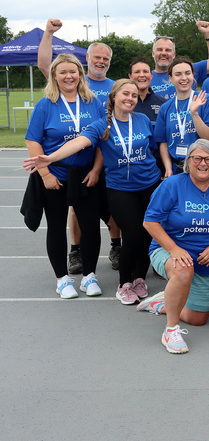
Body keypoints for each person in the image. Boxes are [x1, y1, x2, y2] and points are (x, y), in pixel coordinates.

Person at [24, 79, 163, 304]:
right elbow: (78, 143)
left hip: (149, 184)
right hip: (120, 187)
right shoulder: (102, 126)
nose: (130, 98)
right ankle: (124, 283)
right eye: (125, 94)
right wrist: (50, 158)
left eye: (134, 95)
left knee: (147, 232)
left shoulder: (144, 120)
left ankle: (139, 278)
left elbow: (154, 149)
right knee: (133, 233)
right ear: (113, 98)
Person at [37, 18, 121, 273]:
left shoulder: (112, 86)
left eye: (105, 58)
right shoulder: (67, 78)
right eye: (97, 57)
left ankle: (116, 245)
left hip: (104, 157)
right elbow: (44, 64)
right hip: (69, 165)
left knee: (111, 205)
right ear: (87, 58)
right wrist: (49, 33)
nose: (101, 61)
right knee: (75, 209)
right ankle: (76, 251)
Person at [140, 140, 209, 354]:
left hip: (205, 258)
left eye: (208, 159)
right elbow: (150, 222)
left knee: (198, 318)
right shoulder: (172, 185)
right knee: (183, 269)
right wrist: (174, 249)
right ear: (189, 161)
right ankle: (171, 331)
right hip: (168, 250)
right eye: (197, 158)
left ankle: (163, 303)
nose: (203, 163)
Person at [24, 54, 104, 299]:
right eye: (63, 72)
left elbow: (102, 140)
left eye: (74, 71)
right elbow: (33, 140)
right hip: (55, 175)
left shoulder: (93, 101)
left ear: (81, 74)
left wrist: (96, 170)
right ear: (54, 76)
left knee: (91, 227)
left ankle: (89, 275)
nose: (69, 76)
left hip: (86, 175)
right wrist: (45, 173)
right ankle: (62, 279)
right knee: (56, 227)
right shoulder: (46, 104)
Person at [155, 57, 209, 177]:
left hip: (201, 167)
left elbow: (208, 136)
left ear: (192, 75)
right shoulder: (165, 107)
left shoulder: (205, 99)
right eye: (178, 74)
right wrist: (168, 168)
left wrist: (194, 114)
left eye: (187, 73)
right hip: (176, 168)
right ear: (170, 78)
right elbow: (163, 143)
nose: (184, 78)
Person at [150, 22, 209, 99]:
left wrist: (208, 35)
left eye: (168, 50)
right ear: (153, 53)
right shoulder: (146, 78)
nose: (164, 53)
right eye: (159, 50)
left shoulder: (189, 70)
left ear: (174, 54)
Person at [129, 57, 166, 127]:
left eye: (145, 71)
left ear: (151, 75)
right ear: (130, 76)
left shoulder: (163, 104)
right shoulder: (124, 103)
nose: (142, 75)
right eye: (137, 72)